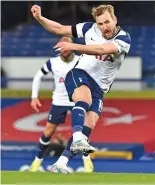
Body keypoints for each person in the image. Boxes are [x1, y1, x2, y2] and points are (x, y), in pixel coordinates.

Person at [31, 4, 131, 173]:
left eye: (107, 22)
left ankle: (61, 163)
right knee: (84, 100)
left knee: (87, 127)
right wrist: (40, 18)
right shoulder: (88, 29)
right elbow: (59, 29)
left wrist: (74, 46)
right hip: (79, 74)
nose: (104, 27)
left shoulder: (124, 39)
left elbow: (102, 49)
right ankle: (76, 139)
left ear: (115, 20)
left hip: (99, 87)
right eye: (100, 23)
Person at [29, 37, 94, 173]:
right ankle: (37, 161)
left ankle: (87, 161)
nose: (64, 50)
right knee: (48, 132)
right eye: (61, 47)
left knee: (82, 131)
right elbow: (38, 76)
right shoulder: (53, 63)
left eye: (67, 47)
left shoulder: (80, 61)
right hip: (58, 101)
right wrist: (34, 97)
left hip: (76, 100)